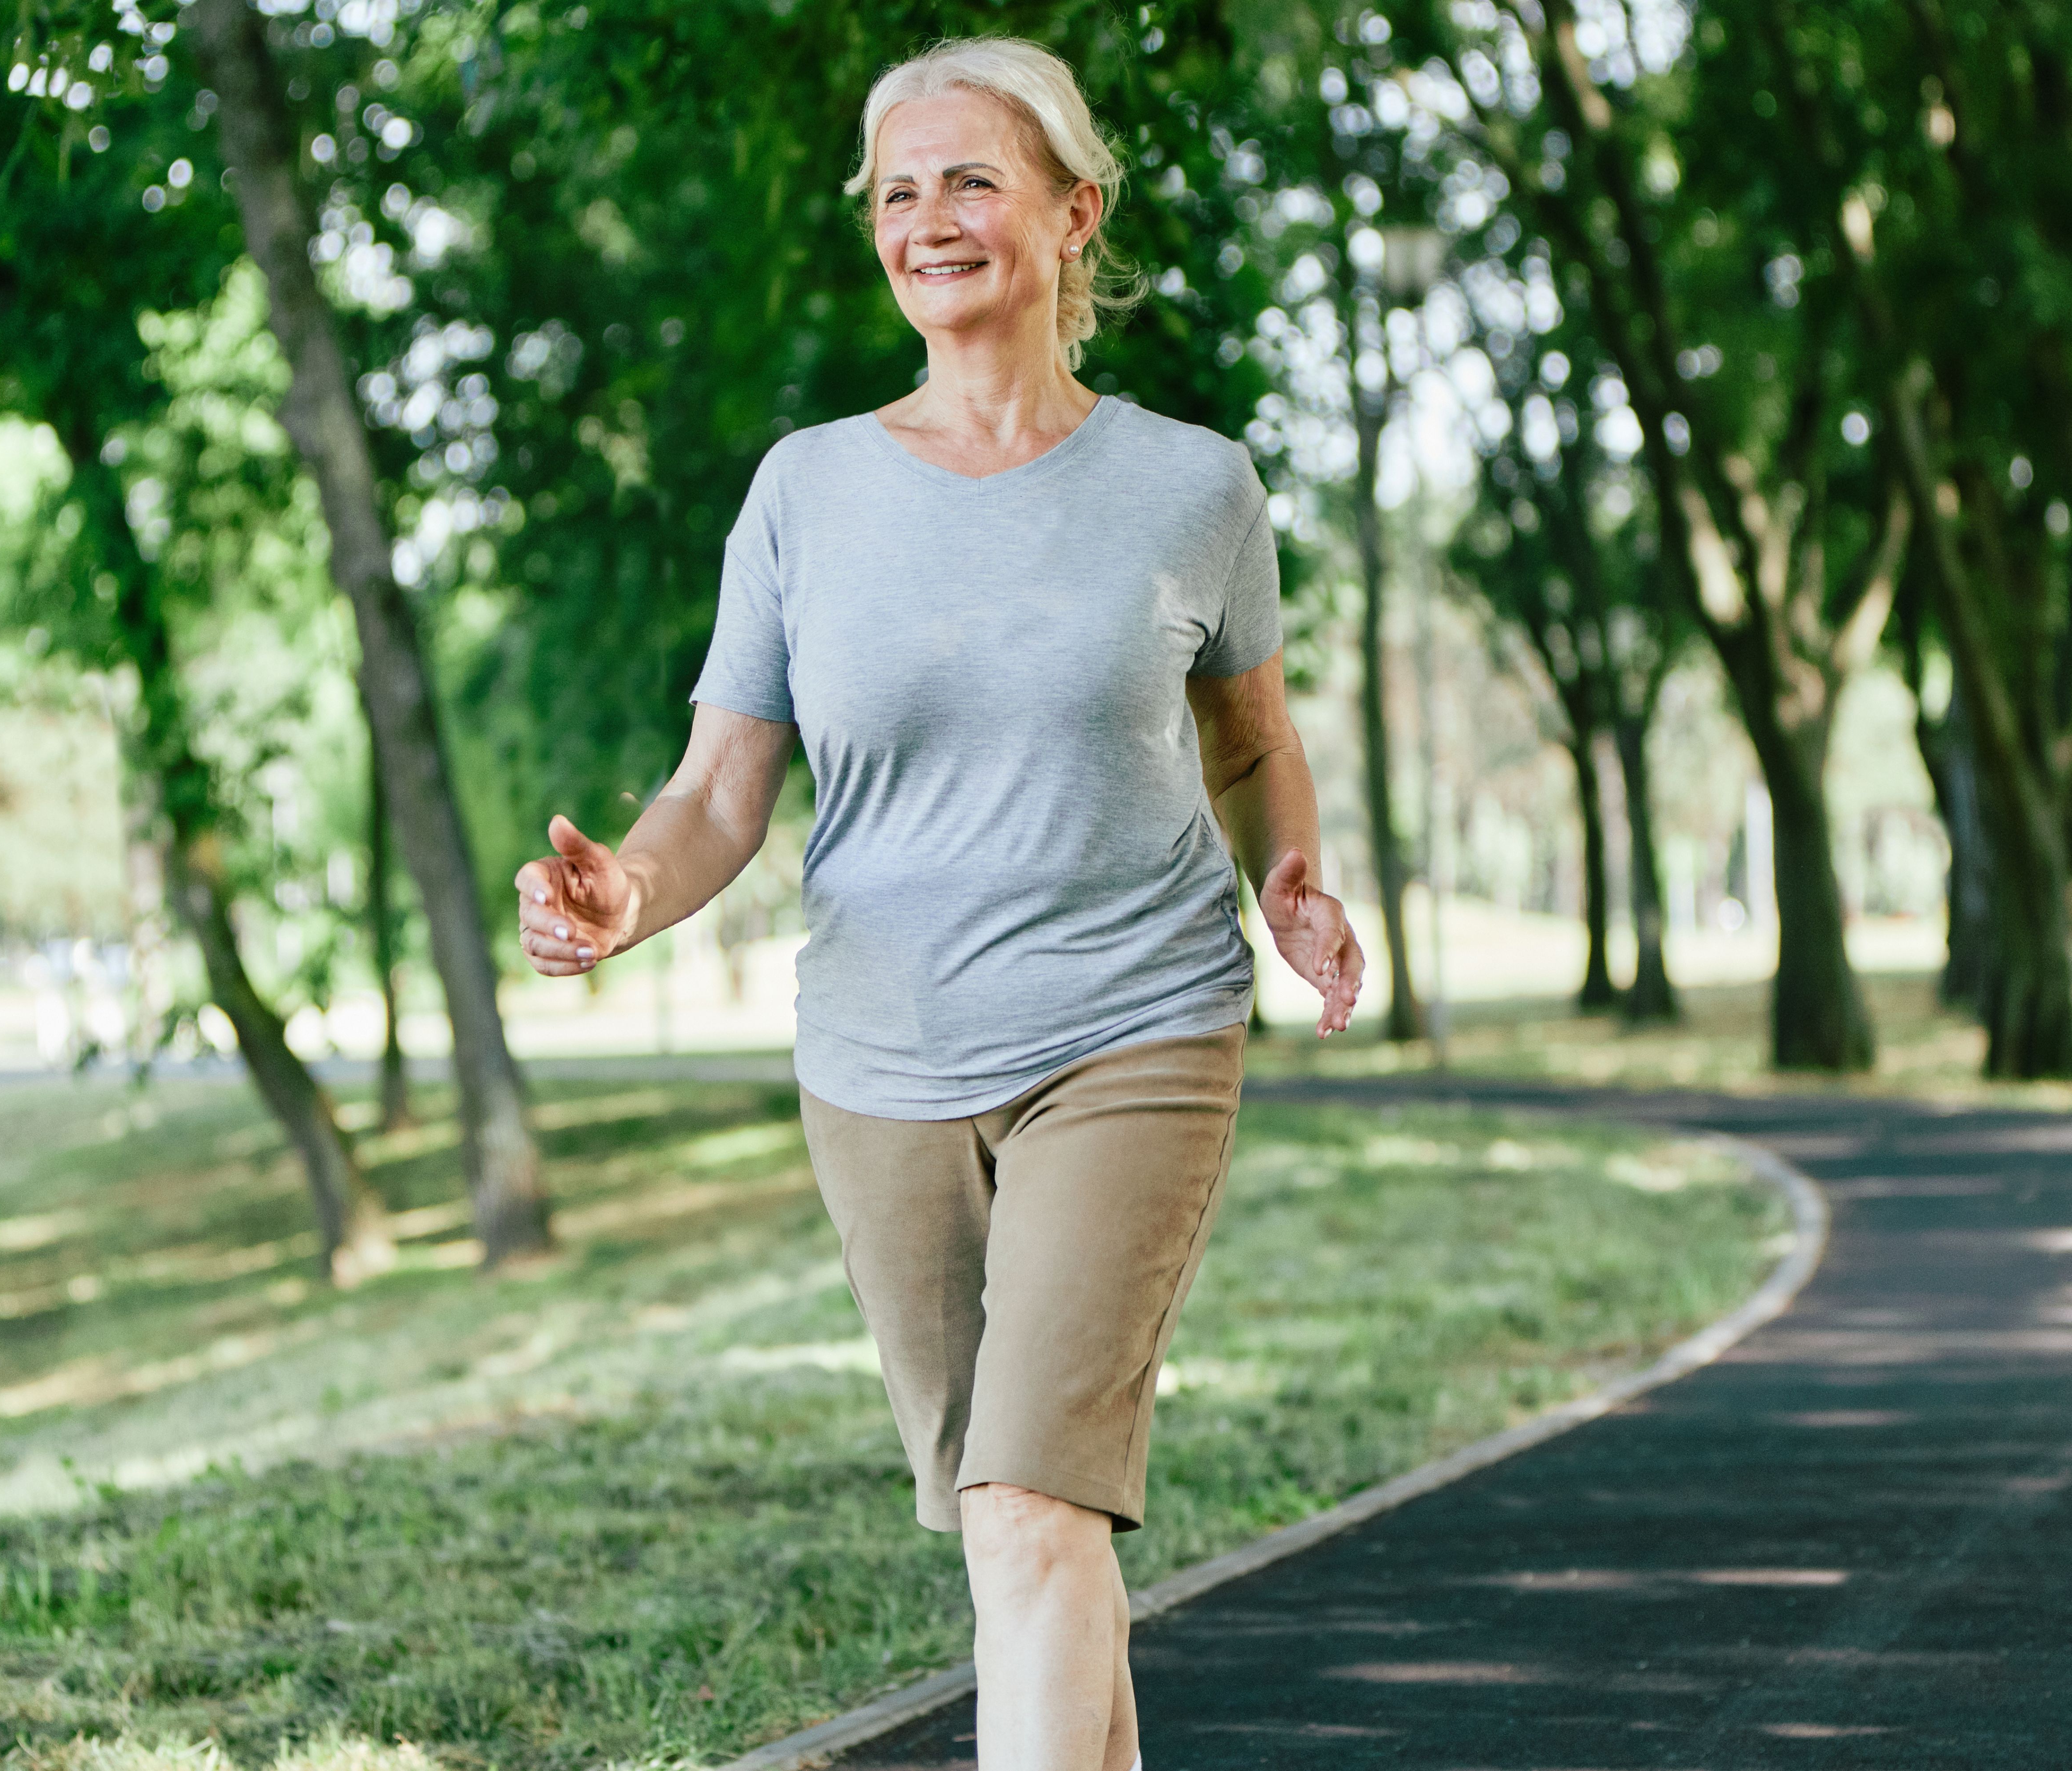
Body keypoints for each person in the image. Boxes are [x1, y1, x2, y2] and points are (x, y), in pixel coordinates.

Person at [514, 36, 1362, 1770]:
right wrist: (625, 894)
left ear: (1074, 210)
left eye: (971, 178)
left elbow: (1253, 741)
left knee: (1031, 1501)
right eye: (899, 192)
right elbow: (719, 792)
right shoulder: (806, 492)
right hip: (880, 1063)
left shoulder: (1191, 485)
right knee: (1009, 1521)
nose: (931, 219)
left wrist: (1293, 872)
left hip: (1133, 1028)